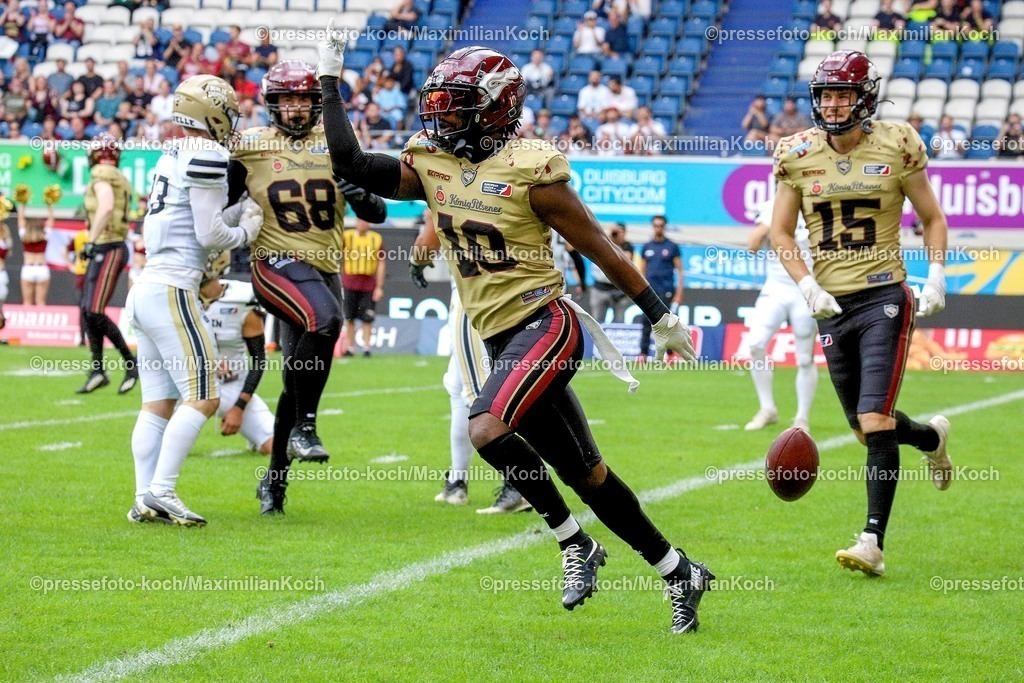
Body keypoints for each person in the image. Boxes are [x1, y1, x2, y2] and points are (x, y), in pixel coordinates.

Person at [316, 33, 712, 634]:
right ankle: (680, 571)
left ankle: (573, 541)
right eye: (439, 106)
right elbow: (349, 163)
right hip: (499, 337)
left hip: (547, 323)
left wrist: (660, 315)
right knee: (589, 476)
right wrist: (329, 81)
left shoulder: (533, 169)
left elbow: (600, 249)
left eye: (457, 108)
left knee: (485, 427)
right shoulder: (433, 162)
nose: (442, 119)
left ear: (495, 109)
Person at [770, 50, 953, 577]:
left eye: (843, 94)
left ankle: (872, 541)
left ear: (865, 98)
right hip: (831, 305)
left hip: (883, 296)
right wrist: (807, 287)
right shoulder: (796, 153)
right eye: (825, 94)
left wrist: (936, 274)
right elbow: (780, 232)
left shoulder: (898, 143)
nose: (832, 104)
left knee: (875, 420)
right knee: (865, 429)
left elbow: (931, 217)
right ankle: (932, 438)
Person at [228, 60, 386, 514]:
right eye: (287, 99)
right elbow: (218, 204)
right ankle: (307, 428)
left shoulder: (336, 144)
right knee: (328, 319)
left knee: (294, 384)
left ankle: (274, 482)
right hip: (274, 263)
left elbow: (377, 212)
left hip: (323, 270)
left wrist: (356, 190)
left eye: (303, 99)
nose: (296, 108)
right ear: (271, 103)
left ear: (317, 104)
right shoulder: (250, 146)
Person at [126, 74, 263, 527]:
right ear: (213, 112)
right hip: (174, 287)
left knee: (157, 404)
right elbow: (209, 234)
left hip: (147, 286)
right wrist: (246, 230)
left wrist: (235, 212)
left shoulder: (174, 151)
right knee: (203, 397)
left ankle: (144, 497)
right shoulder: (207, 153)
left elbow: (193, 218)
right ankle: (162, 491)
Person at [411, 211, 532, 513]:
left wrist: (417, 261)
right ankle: (457, 482)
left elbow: (429, 236)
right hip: (512, 293)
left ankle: (517, 485)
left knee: (482, 397)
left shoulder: (448, 188)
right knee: (457, 387)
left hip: (475, 297)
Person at [743, 197, 816, 432]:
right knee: (755, 344)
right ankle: (767, 408)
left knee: (805, 357)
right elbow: (753, 244)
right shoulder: (774, 204)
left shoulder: (819, 201)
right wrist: (767, 227)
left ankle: (802, 417)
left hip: (807, 286)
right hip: (776, 286)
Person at [76, 134, 139, 395]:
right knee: (87, 309)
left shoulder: (101, 174)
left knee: (94, 310)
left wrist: (90, 241)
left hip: (109, 245)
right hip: (108, 245)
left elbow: (106, 206)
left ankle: (130, 364)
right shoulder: (119, 176)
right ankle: (98, 369)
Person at [197, 252, 274, 456]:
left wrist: (239, 407)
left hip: (231, 386)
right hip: (190, 387)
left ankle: (253, 434)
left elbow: (259, 360)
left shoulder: (240, 299)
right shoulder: (180, 299)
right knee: (158, 445)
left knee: (275, 447)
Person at [638, 215, 683, 361]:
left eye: (661, 225)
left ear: (664, 227)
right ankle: (643, 354)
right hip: (649, 291)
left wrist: (679, 293)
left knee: (667, 323)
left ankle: (669, 355)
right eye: (656, 225)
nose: (658, 228)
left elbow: (680, 271)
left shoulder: (672, 247)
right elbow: (641, 271)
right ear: (653, 226)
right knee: (646, 322)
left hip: (666, 290)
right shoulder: (647, 247)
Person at [341, 219, 385, 357]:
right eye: (360, 220)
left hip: (368, 283)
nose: (362, 224)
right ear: (355, 222)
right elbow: (335, 254)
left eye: (365, 221)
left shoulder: (376, 238)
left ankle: (366, 347)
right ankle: (350, 347)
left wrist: (379, 286)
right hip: (350, 281)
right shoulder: (346, 236)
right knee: (349, 317)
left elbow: (381, 263)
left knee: (368, 317)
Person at [15, 184, 53, 306]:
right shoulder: (45, 236)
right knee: (41, 302)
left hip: (28, 269)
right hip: (42, 269)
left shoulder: (24, 235)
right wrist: (49, 204)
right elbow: (51, 220)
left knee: (27, 302)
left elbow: (20, 219)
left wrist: (23, 203)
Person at [589, 223, 634, 322]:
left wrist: (617, 243)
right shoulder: (601, 243)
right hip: (600, 288)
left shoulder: (626, 246)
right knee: (597, 322)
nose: (616, 234)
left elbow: (625, 259)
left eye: (620, 232)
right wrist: (608, 238)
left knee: (619, 323)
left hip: (618, 291)